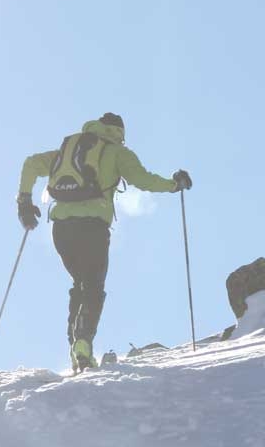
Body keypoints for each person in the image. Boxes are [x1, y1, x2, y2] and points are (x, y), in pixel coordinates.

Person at [16, 112, 192, 372]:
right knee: (94, 287)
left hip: (61, 229)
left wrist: (25, 203)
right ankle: (82, 344)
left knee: (80, 284)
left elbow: (31, 163)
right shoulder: (117, 152)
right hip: (93, 228)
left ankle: (75, 348)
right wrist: (173, 185)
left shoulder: (69, 150)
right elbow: (143, 180)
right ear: (119, 133)